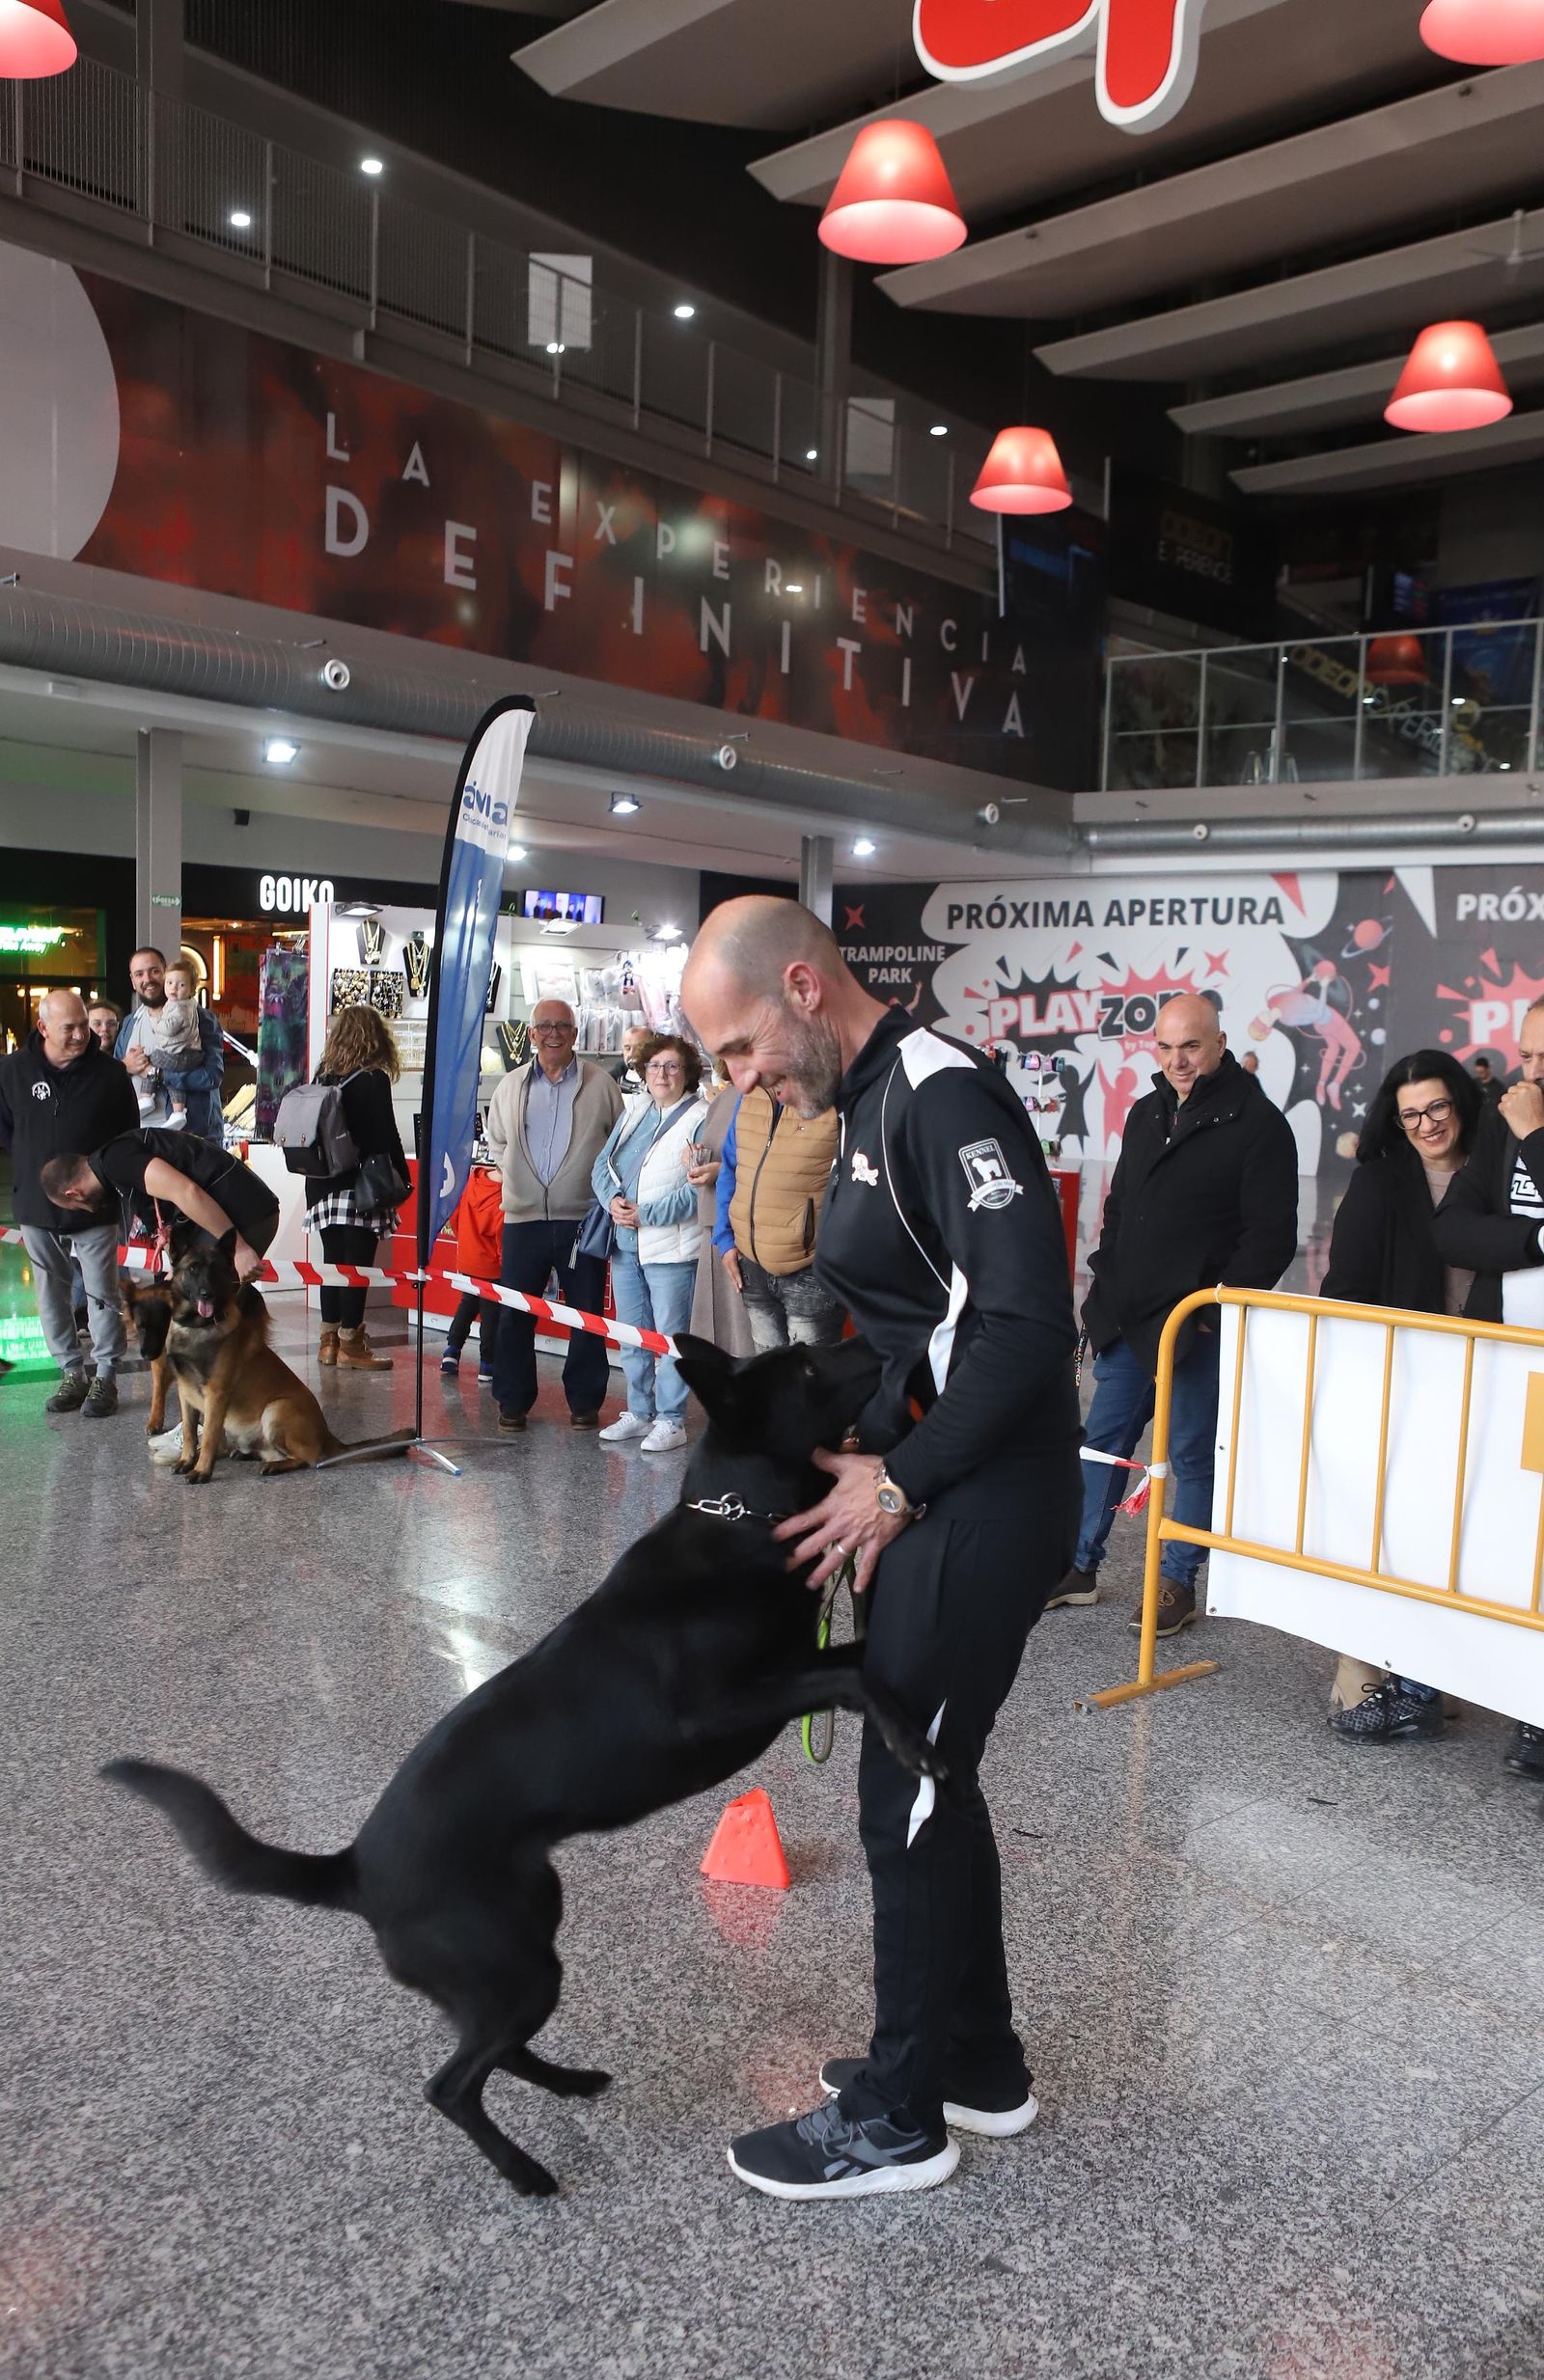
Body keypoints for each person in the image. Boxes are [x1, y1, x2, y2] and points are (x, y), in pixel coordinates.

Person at [682, 895, 1081, 2203]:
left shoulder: (940, 1094)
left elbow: (1026, 1325)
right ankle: (976, 2058)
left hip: (987, 1496)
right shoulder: (854, 1107)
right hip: (936, 1486)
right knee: (934, 1778)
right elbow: (927, 1330)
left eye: (742, 1049)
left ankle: (903, 2117)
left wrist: (898, 1482)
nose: (742, 1081)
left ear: (802, 983)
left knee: (901, 1791)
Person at [1054, 993, 1299, 1635]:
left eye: (1190, 1045)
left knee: (1189, 1456)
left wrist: (1213, 1309)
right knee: (1102, 1445)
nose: (1178, 1059)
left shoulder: (1259, 1126)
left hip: (1196, 1325)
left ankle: (1176, 1582)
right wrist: (1103, 1284)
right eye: (1166, 1047)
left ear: (1219, 1042)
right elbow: (1121, 1206)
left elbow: (1269, 1237)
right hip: (1128, 1318)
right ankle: (1077, 1565)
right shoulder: (1146, 1111)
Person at [1319, 1050, 1481, 1742]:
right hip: (1401, 1382)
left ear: (1461, 1104)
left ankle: (1434, 1678)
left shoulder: (1500, 1172)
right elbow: (1345, 1287)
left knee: (1461, 1538)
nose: (1426, 1124)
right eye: (1412, 1112)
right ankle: (1363, 1672)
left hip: (1485, 1382)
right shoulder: (1381, 1182)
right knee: (1386, 1531)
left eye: (1438, 1107)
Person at [1433, 995, 1544, 1781]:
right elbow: (1455, 1225)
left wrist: (1537, 1135)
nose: (1529, 1074)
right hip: (1505, 1356)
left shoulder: (1525, 1120)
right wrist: (1538, 1238)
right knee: (1505, 1530)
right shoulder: (1505, 1116)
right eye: (1527, 1056)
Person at [484, 998, 623, 1433]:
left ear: (575, 1034)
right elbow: (497, 1143)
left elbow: (620, 1145)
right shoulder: (510, 1085)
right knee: (514, 1313)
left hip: (582, 1219)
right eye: (544, 1025)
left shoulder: (601, 1084)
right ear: (531, 1034)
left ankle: (584, 1403)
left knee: (586, 1315)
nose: (553, 1033)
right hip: (523, 1219)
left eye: (562, 1025)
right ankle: (512, 1402)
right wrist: (516, 1176)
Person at [0, 990, 138, 1418]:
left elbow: (127, 1136)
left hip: (95, 1202)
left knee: (100, 1290)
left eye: (85, 1024)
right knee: (51, 1292)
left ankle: (107, 1376)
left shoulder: (110, 1074)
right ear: (43, 1028)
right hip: (36, 1203)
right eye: (70, 1028)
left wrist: (99, 1181)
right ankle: (71, 1372)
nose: (83, 1035)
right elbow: (7, 1131)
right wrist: (36, 1166)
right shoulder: (10, 1072)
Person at [593, 1036, 708, 1454]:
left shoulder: (702, 1117)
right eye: (655, 1066)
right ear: (643, 1072)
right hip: (627, 1246)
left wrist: (645, 1215)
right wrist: (613, 1202)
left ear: (688, 1073)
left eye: (672, 1066)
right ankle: (639, 1412)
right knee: (632, 1335)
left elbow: (699, 1192)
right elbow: (600, 1167)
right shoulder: (635, 1112)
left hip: (672, 1250)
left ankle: (672, 1420)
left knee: (670, 1340)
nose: (662, 1074)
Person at [303, 1004, 409, 1372]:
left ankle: (327, 1343)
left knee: (332, 1263)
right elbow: (384, 1135)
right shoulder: (372, 1078)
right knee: (357, 1267)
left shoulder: (323, 1076)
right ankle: (352, 1344)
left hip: (320, 1185)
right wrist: (402, 1176)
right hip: (360, 1187)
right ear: (376, 1038)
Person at [41, 1130, 281, 1281]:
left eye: (75, 1208)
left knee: (204, 1321)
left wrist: (238, 1248)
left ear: (74, 1194)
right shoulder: (113, 1169)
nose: (85, 1212)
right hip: (235, 1212)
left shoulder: (117, 1161)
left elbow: (187, 1192)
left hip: (244, 1213)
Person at [711, 1082, 841, 1354]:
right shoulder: (750, 1095)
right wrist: (725, 1239)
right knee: (767, 1381)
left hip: (811, 1271)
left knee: (809, 1387)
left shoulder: (835, 1095)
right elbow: (731, 1168)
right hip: (751, 1266)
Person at [115, 946, 224, 1139]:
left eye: (154, 971)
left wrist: (159, 1074)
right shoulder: (130, 1023)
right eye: (139, 974)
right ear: (133, 981)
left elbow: (211, 1077)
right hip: (138, 1137)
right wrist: (125, 1066)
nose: (147, 979)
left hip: (189, 1138)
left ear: (166, 974)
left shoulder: (199, 1018)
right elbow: (113, 1076)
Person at [685, 1059, 755, 1357]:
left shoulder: (759, 1098)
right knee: (718, 1338)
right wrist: (694, 1158)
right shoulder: (724, 1098)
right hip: (715, 1225)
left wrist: (721, 1171)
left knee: (743, 1336)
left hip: (742, 1229)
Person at [441, 1162, 505, 1385]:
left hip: (467, 1260)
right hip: (490, 1267)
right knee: (491, 1316)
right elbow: (501, 1240)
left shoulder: (473, 1181)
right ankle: (487, 1363)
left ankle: (452, 1349)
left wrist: (466, 1242)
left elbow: (455, 1216)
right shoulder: (502, 1199)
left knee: (467, 1304)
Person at [134, 961, 203, 1130]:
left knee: (154, 1058)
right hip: (141, 1130)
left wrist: (153, 1072)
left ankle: (146, 1097)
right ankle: (178, 1112)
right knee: (172, 1077)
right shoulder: (132, 1020)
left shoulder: (182, 1009)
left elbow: (212, 1077)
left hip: (183, 1054)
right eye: (170, 983)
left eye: (154, 971)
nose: (174, 988)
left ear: (191, 989)